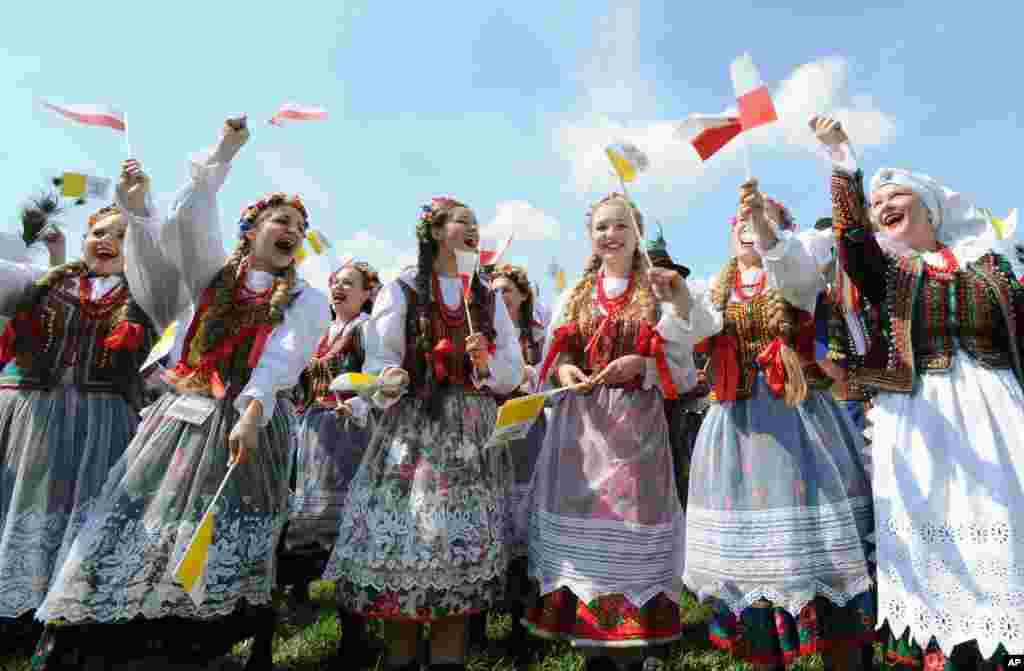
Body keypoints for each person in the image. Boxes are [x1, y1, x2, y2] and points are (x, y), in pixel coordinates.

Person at [32, 117, 328, 671]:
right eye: (279, 219)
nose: (290, 228)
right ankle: (104, 639)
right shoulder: (212, 272)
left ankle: (199, 644)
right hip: (182, 418)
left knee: (224, 534)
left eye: (299, 224)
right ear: (251, 229)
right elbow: (191, 216)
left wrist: (253, 409)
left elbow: (282, 359)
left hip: (249, 424)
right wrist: (224, 151)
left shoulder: (308, 299)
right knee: (142, 518)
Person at [813, 115, 1022, 670]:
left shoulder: (994, 265)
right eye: (875, 201)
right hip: (921, 416)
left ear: (930, 210)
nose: (883, 206)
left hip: (1000, 413)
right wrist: (841, 160)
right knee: (938, 533)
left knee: (1005, 524)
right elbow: (853, 242)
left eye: (895, 196)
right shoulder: (890, 274)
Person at [323, 197, 524, 671]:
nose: (475, 230)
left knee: (456, 558)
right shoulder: (403, 289)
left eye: (477, 224)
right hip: (414, 430)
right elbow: (379, 361)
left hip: (470, 434)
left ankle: (449, 659)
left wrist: (485, 364)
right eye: (463, 222)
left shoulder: (486, 297)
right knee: (408, 550)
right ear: (435, 231)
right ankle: (399, 657)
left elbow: (510, 372)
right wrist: (390, 376)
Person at [682, 184, 875, 671]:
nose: (749, 227)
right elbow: (700, 330)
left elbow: (792, 273)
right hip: (737, 428)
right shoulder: (717, 286)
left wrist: (768, 232)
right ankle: (764, 652)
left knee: (822, 548)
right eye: (742, 222)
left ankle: (845, 653)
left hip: (799, 421)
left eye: (761, 220)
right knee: (750, 558)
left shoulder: (795, 274)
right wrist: (677, 298)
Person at [521, 193, 697, 671]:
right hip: (581, 430)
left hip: (635, 428)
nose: (610, 235)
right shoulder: (577, 294)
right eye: (601, 227)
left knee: (629, 531)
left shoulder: (656, 291)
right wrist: (565, 373)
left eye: (620, 226)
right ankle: (591, 650)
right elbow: (553, 358)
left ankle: (632, 652)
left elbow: (683, 371)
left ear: (637, 232)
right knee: (585, 536)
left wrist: (642, 364)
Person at [0, 193, 156, 651]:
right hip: (34, 416)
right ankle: (15, 611)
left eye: (122, 236)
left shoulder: (144, 297)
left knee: (78, 511)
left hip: (100, 420)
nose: (107, 241)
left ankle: (63, 620)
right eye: (99, 232)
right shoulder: (45, 283)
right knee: (22, 504)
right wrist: (42, 249)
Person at [277, 260, 380, 661]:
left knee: (346, 529)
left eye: (349, 284)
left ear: (367, 292)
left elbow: (377, 378)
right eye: (335, 282)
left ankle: (355, 631)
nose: (339, 288)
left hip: (349, 433)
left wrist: (356, 402)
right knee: (309, 527)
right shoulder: (321, 332)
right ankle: (305, 598)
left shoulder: (365, 329)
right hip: (312, 433)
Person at [646, 226, 706, 509]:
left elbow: (685, 366)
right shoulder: (639, 309)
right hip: (644, 403)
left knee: (681, 471)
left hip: (678, 405)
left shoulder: (677, 309)